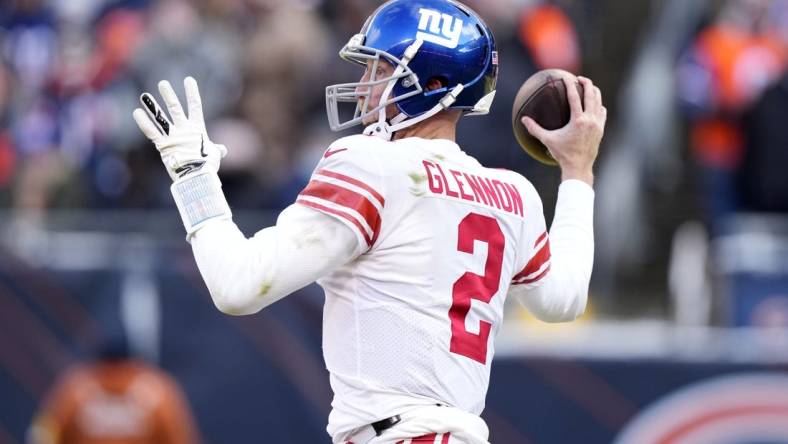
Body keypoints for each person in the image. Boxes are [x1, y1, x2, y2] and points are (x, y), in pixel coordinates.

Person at [132, 0, 605, 442]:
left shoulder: (371, 164)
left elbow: (237, 285)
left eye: (382, 70)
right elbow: (562, 300)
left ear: (435, 86)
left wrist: (193, 178)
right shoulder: (513, 194)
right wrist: (578, 172)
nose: (365, 87)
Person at [27, 339, 201, 444]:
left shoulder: (155, 392)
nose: (115, 375)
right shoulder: (78, 388)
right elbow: (46, 432)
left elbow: (43, 433)